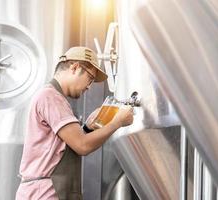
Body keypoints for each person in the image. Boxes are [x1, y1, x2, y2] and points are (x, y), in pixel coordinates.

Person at [15, 46, 134, 200]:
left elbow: (63, 148)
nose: (89, 87)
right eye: (90, 78)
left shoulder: (53, 97)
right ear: (75, 67)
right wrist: (117, 122)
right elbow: (82, 146)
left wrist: (88, 128)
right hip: (44, 194)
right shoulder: (51, 97)